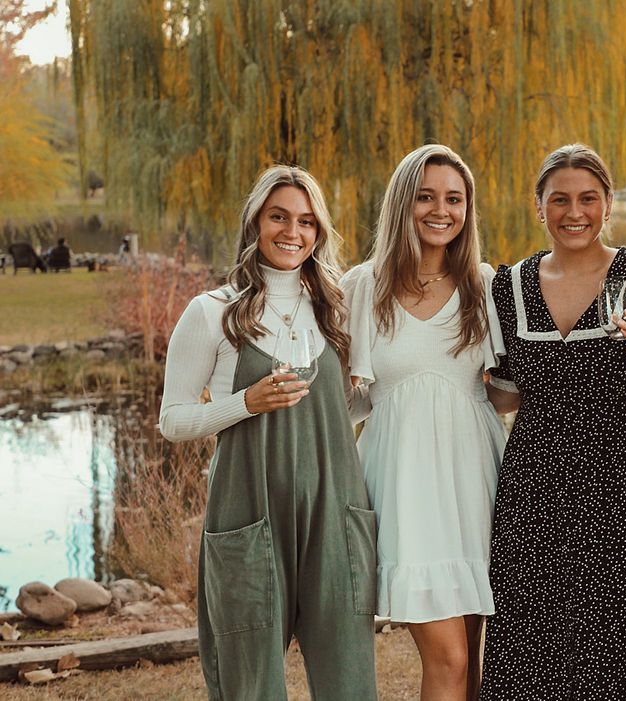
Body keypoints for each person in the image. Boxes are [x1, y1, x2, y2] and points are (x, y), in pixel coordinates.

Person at [159, 165, 377, 700]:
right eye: (279, 216)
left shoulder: (337, 310)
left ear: (319, 232)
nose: (292, 232)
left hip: (334, 509)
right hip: (248, 509)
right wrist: (244, 403)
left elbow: (344, 408)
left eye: (306, 221)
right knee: (249, 679)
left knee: (349, 677)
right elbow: (173, 420)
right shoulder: (212, 312)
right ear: (255, 221)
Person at [480, 144, 626, 700]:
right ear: (538, 206)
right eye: (559, 199)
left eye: (588, 198)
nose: (574, 212)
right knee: (529, 645)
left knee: (617, 646)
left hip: (617, 489)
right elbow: (506, 397)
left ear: (608, 203)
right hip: (532, 494)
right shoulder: (507, 287)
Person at [341, 144, 506, 700]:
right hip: (405, 487)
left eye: (455, 199)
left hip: (475, 479)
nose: (442, 210)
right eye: (427, 197)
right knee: (449, 658)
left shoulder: (485, 284)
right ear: (402, 204)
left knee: (473, 659)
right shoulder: (362, 287)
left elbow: (510, 389)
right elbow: (343, 400)